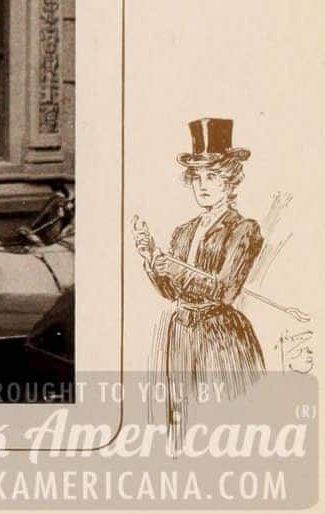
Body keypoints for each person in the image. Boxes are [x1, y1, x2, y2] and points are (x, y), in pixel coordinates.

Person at [132, 118, 265, 451]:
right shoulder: (183, 230)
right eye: (198, 178)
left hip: (218, 332)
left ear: (231, 181)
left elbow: (225, 290)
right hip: (180, 331)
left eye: (214, 178)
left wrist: (175, 269)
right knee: (180, 413)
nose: (204, 186)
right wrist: (151, 258)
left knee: (221, 414)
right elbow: (169, 292)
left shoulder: (244, 229)